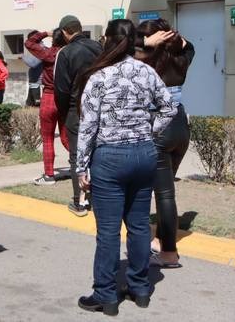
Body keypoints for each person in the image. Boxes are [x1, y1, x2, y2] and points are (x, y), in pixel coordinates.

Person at [74, 19, 177, 315]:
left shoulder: (99, 77)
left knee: (108, 231)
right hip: (144, 154)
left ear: (107, 40)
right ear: (134, 41)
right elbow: (170, 107)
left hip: (110, 158)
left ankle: (105, 295)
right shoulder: (147, 72)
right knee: (139, 225)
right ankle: (140, 288)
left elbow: (88, 127)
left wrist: (81, 167)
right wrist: (149, 129)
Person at [135, 19, 195, 269]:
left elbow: (116, 51)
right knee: (166, 191)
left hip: (157, 123)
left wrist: (145, 44)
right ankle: (160, 240)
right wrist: (177, 40)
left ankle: (169, 253)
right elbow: (189, 47)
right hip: (180, 123)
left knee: (164, 194)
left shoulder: (142, 61)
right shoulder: (181, 57)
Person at [53, 15, 102, 215]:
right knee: (97, 154)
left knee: (76, 156)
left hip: (76, 109)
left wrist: (64, 113)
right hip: (100, 108)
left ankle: (79, 201)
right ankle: (98, 198)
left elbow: (61, 90)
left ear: (65, 32)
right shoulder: (100, 48)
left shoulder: (65, 53)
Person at [25, 28, 69, 185]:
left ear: (54, 40)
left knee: (48, 139)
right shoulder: (69, 53)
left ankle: (49, 175)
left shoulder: (48, 53)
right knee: (67, 138)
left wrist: (45, 33)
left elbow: (29, 42)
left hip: (49, 96)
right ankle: (81, 166)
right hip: (65, 98)